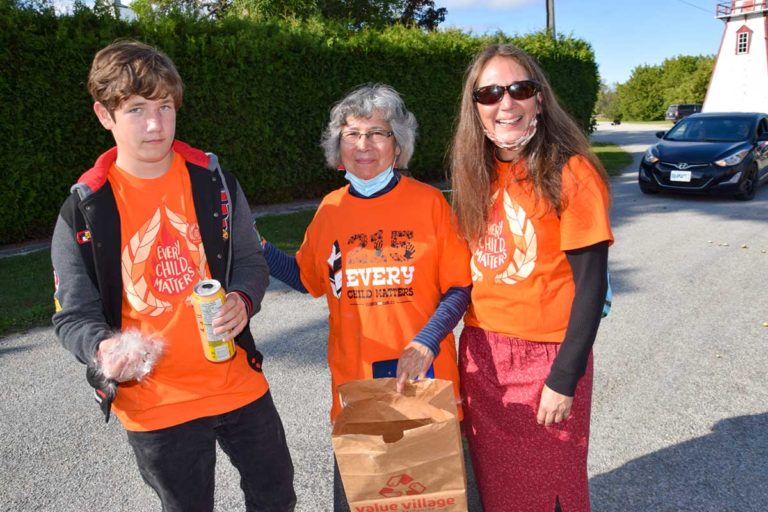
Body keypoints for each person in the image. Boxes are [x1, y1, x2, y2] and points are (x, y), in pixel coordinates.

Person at [51, 40, 296, 512]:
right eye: (137, 109)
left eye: (165, 106)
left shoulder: (214, 181)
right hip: (154, 403)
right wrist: (102, 349)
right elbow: (72, 316)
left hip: (237, 382)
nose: (155, 124)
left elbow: (250, 262)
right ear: (105, 115)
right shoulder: (86, 208)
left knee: (276, 497)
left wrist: (243, 300)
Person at [260, 84, 472, 511]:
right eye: (352, 134)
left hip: (424, 385)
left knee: (435, 501)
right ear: (338, 147)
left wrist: (426, 340)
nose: (363, 145)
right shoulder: (331, 210)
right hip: (357, 391)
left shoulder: (430, 204)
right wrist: (259, 249)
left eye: (377, 133)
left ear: (399, 146)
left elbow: (459, 287)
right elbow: (308, 278)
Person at [449, 43, 614, 512]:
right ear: (476, 107)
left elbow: (592, 286)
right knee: (500, 492)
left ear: (539, 98)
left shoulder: (572, 172)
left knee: (551, 488)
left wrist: (565, 377)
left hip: (547, 358)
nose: (506, 103)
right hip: (482, 356)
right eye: (490, 93)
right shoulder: (475, 174)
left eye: (519, 89)